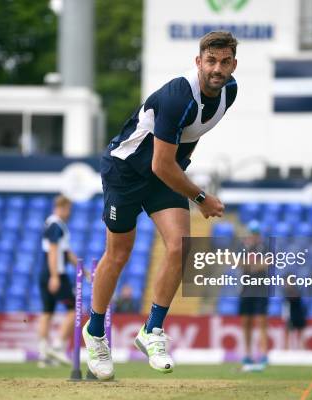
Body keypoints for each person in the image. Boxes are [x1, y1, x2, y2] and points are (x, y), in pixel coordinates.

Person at [82, 31, 238, 380]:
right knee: (119, 253)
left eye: (224, 61)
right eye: (211, 61)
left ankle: (151, 331)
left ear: (233, 64)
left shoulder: (230, 91)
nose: (217, 68)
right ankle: (94, 333)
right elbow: (160, 164)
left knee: (181, 247)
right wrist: (201, 198)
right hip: (126, 170)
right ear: (198, 62)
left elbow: (191, 136)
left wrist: (185, 169)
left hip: (164, 173)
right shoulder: (178, 95)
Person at [37, 195, 80, 367]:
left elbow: (67, 252)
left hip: (45, 273)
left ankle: (43, 354)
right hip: (56, 274)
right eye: (69, 209)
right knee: (74, 309)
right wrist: (55, 276)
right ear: (63, 207)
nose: (69, 213)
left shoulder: (52, 224)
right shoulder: (56, 225)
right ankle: (57, 347)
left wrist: (81, 269)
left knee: (47, 313)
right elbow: (54, 251)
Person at [238, 220, 270, 371]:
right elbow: (238, 263)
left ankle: (263, 354)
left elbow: (263, 264)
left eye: (255, 234)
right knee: (246, 323)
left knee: (262, 322)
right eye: (252, 233)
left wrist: (250, 264)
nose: (253, 236)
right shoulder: (244, 247)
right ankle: (247, 354)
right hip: (246, 289)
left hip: (261, 289)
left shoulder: (264, 247)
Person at [284, 285, 307, 349]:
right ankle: (287, 347)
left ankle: (301, 347)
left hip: (298, 315)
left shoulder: (297, 292)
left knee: (300, 332)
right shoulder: (286, 293)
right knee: (287, 330)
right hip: (290, 315)